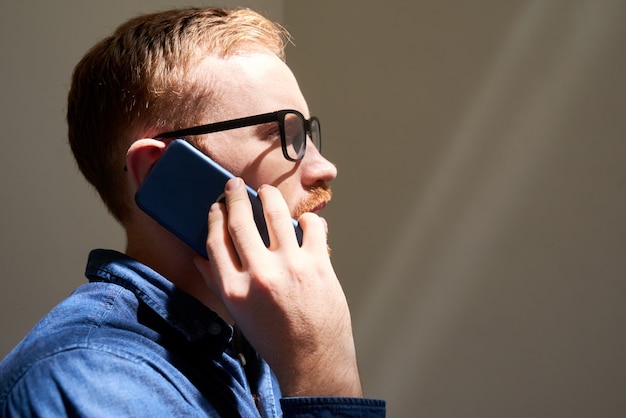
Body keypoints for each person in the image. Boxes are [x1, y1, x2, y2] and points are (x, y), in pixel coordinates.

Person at [0, 6, 385, 417]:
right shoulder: (90, 376)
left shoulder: (258, 344)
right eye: (280, 134)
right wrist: (323, 373)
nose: (324, 168)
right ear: (158, 172)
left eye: (307, 134)